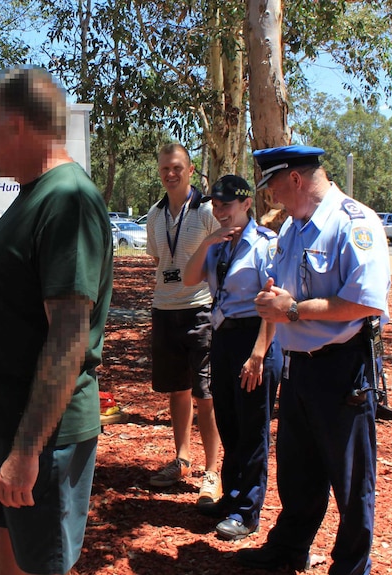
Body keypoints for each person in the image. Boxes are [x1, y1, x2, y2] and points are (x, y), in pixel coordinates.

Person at [0, 67, 113, 575]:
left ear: (17, 124)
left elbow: (70, 335)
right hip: (6, 426)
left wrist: (27, 450)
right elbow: (17, 302)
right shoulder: (33, 197)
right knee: (5, 555)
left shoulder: (66, 200)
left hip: (42, 438)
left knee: (42, 566)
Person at [243, 145, 389, 574]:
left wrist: (292, 310)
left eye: (271, 184)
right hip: (298, 366)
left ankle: (349, 565)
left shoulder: (353, 223)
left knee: (350, 479)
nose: (269, 194)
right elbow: (288, 295)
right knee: (298, 469)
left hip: (342, 369)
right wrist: (274, 305)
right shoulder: (292, 230)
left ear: (295, 179)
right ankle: (289, 548)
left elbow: (365, 303)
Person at [182, 175, 282, 541]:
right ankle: (233, 496)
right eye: (216, 205)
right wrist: (208, 240)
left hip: (255, 338)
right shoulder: (219, 246)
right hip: (223, 338)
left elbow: (273, 302)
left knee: (253, 430)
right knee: (229, 423)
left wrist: (258, 354)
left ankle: (247, 511)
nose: (220, 211)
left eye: (227, 205)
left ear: (246, 205)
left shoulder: (265, 245)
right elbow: (190, 279)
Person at [144, 143, 222, 506]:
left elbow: (221, 255)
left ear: (190, 170)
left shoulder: (207, 210)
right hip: (165, 310)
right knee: (177, 391)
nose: (170, 174)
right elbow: (159, 257)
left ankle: (212, 471)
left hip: (200, 310)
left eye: (177, 168)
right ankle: (182, 459)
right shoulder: (155, 215)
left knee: (205, 395)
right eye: (164, 170)